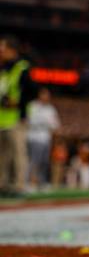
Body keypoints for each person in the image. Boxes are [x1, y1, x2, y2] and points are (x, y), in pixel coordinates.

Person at [0, 35, 36, 196]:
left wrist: (18, 104)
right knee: (3, 155)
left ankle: (19, 185)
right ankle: (3, 185)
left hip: (16, 118)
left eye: (3, 48)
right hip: (2, 118)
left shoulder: (22, 68)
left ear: (11, 50)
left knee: (18, 153)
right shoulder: (3, 68)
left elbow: (32, 92)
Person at [27, 87, 60, 189]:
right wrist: (46, 122)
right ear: (39, 95)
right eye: (44, 95)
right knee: (34, 161)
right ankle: (29, 182)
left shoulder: (51, 109)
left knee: (44, 162)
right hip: (34, 138)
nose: (46, 97)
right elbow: (30, 121)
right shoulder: (32, 106)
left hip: (46, 138)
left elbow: (56, 124)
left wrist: (47, 124)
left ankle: (42, 182)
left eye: (47, 95)